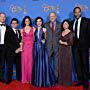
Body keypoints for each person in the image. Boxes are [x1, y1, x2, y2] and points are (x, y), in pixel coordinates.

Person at [72, 7, 90, 90]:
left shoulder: (86, 21)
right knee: (77, 64)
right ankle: (80, 80)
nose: (77, 14)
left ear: (80, 12)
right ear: (74, 13)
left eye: (78, 12)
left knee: (85, 64)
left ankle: (86, 82)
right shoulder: (72, 22)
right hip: (75, 47)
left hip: (84, 46)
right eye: (75, 12)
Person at [32, 17, 50, 87]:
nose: (38, 22)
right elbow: (33, 39)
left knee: (42, 63)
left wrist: (44, 40)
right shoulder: (34, 29)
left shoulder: (44, 29)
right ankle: (37, 79)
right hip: (36, 47)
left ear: (42, 22)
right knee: (36, 62)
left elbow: (45, 38)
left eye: (40, 21)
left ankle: (43, 80)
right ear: (36, 22)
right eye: (37, 21)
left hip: (42, 47)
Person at [44, 12, 61, 85]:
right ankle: (49, 77)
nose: (52, 17)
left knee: (57, 63)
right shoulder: (45, 25)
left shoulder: (60, 24)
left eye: (53, 16)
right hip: (48, 46)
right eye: (50, 16)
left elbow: (61, 34)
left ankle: (56, 78)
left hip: (57, 46)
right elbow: (43, 35)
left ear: (56, 16)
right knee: (48, 62)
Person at [5, 18, 22, 84]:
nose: (14, 24)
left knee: (19, 66)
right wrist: (15, 50)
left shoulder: (19, 31)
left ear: (17, 24)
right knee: (10, 67)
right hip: (11, 52)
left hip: (18, 52)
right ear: (11, 24)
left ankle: (19, 78)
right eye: (13, 23)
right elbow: (7, 42)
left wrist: (19, 49)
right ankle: (9, 80)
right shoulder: (8, 31)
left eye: (15, 23)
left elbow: (21, 41)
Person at [59, 19, 74, 86]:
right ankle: (61, 81)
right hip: (61, 50)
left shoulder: (71, 33)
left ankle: (67, 82)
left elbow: (71, 42)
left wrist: (63, 42)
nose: (65, 25)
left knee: (67, 65)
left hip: (67, 50)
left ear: (68, 25)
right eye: (64, 24)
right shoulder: (61, 32)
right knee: (61, 65)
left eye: (66, 24)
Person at [21, 16, 35, 84]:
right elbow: (21, 40)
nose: (27, 22)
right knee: (24, 63)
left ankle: (30, 79)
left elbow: (35, 38)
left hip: (31, 47)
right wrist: (21, 47)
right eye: (26, 21)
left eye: (28, 21)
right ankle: (25, 79)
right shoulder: (22, 30)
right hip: (24, 48)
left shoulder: (33, 29)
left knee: (30, 63)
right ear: (24, 22)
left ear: (30, 22)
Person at [0, 12, 11, 83]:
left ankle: (2, 78)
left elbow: (11, 39)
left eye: (4, 17)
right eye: (1, 16)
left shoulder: (8, 28)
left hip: (5, 47)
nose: (3, 18)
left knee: (3, 63)